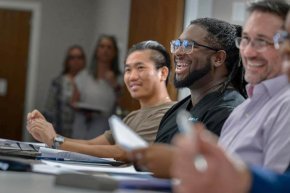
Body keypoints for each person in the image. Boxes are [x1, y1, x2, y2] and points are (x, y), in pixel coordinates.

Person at [131, 18, 246, 178]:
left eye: (188, 46)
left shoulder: (229, 113)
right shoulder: (177, 110)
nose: (177, 53)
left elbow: (213, 177)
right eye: (177, 45)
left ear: (218, 58)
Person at [27, 40, 175, 161]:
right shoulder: (132, 116)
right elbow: (91, 144)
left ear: (162, 73)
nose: (132, 76)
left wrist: (56, 141)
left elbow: (122, 152)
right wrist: (48, 135)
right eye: (128, 70)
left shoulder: (168, 113)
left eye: (140, 68)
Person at [218, 0, 290, 173]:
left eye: (262, 41)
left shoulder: (286, 105)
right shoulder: (241, 110)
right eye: (246, 39)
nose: (248, 52)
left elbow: (276, 186)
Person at [71, 35, 121, 139]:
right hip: (82, 125)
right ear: (96, 50)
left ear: (115, 52)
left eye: (109, 47)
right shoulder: (83, 76)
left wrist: (115, 85)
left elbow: (124, 105)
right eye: (102, 46)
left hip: (104, 127)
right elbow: (73, 101)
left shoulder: (120, 78)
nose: (105, 50)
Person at [43, 45, 86, 138]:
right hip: (61, 132)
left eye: (79, 57)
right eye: (72, 58)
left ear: (84, 60)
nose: (76, 61)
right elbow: (49, 110)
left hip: (84, 134)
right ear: (67, 61)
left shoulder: (89, 83)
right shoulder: (58, 82)